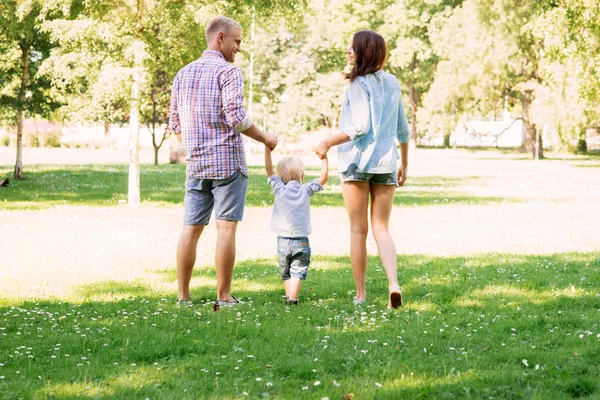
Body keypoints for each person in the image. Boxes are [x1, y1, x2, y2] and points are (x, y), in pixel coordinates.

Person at [168, 16, 278, 307]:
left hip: (196, 165)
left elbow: (175, 124)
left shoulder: (183, 74)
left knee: (190, 228)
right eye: (237, 41)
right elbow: (237, 118)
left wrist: (197, 146)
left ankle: (183, 296)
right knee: (225, 228)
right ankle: (223, 295)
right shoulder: (228, 73)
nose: (239, 48)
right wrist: (266, 137)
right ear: (220, 38)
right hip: (228, 164)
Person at [315, 30, 410, 309]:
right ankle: (393, 283)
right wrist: (404, 162)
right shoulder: (393, 82)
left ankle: (361, 294)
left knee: (358, 231)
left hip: (356, 163)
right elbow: (403, 128)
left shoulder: (358, 85)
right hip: (386, 164)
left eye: (352, 47)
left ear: (364, 51)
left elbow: (360, 127)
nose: (348, 51)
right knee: (382, 228)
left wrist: (327, 141)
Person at [264, 146, 328, 305]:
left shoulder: (278, 188)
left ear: (280, 176)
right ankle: (292, 298)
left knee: (286, 271)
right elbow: (323, 178)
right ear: (302, 175)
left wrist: (267, 147)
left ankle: (290, 296)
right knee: (297, 271)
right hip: (301, 240)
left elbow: (268, 169)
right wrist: (324, 158)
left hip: (283, 240)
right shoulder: (305, 190)